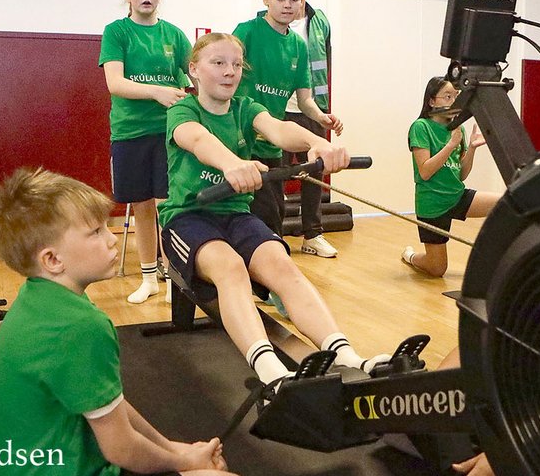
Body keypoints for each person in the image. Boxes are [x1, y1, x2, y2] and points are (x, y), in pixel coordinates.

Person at [159, 33, 389, 386]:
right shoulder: (184, 110)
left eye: (236, 64)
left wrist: (317, 143)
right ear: (194, 69)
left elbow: (280, 130)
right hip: (188, 218)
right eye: (218, 63)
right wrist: (233, 163)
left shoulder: (245, 108)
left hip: (236, 215)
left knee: (283, 266)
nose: (229, 71)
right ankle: (272, 373)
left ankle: (347, 357)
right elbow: (197, 139)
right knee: (230, 268)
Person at [0, 167, 233, 476]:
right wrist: (186, 463)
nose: (112, 239)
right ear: (53, 260)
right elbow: (121, 449)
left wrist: (174, 448)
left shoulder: (39, 299)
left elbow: (110, 404)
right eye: (96, 231)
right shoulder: (80, 327)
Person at [99, 0, 192, 304]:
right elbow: (115, 83)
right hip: (129, 132)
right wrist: (156, 92)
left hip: (168, 133)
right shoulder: (117, 32)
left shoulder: (174, 35)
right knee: (142, 205)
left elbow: (195, 73)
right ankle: (149, 278)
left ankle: (174, 279)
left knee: (168, 204)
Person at [232, 0, 343, 238]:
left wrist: (321, 117)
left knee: (272, 220)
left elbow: (305, 99)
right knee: (245, 220)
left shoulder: (298, 46)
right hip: (240, 143)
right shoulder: (247, 32)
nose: (287, 5)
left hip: (271, 145)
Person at [269, 0, 338, 258]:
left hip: (310, 108)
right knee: (276, 175)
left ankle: (313, 234)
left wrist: (322, 112)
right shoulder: (263, 26)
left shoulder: (319, 22)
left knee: (314, 172)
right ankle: (273, 235)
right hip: (277, 112)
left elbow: (324, 65)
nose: (289, 3)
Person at [402, 77, 500, 278]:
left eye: (456, 96)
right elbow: (425, 171)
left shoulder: (458, 129)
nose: (454, 101)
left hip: (456, 195)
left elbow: (461, 174)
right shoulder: (421, 127)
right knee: (437, 269)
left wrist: (471, 148)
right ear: (432, 101)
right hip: (432, 203)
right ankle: (410, 256)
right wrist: (451, 145)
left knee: (503, 203)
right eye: (447, 96)